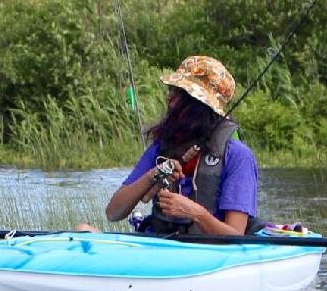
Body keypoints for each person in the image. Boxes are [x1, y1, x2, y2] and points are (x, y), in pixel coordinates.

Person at [77, 55, 261, 236]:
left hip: (209, 255)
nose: (168, 97)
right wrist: (152, 175)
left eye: (178, 92)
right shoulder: (161, 148)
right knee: (83, 230)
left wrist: (195, 213)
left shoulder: (238, 156)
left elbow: (235, 235)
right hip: (160, 247)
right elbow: (113, 213)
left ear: (198, 104)